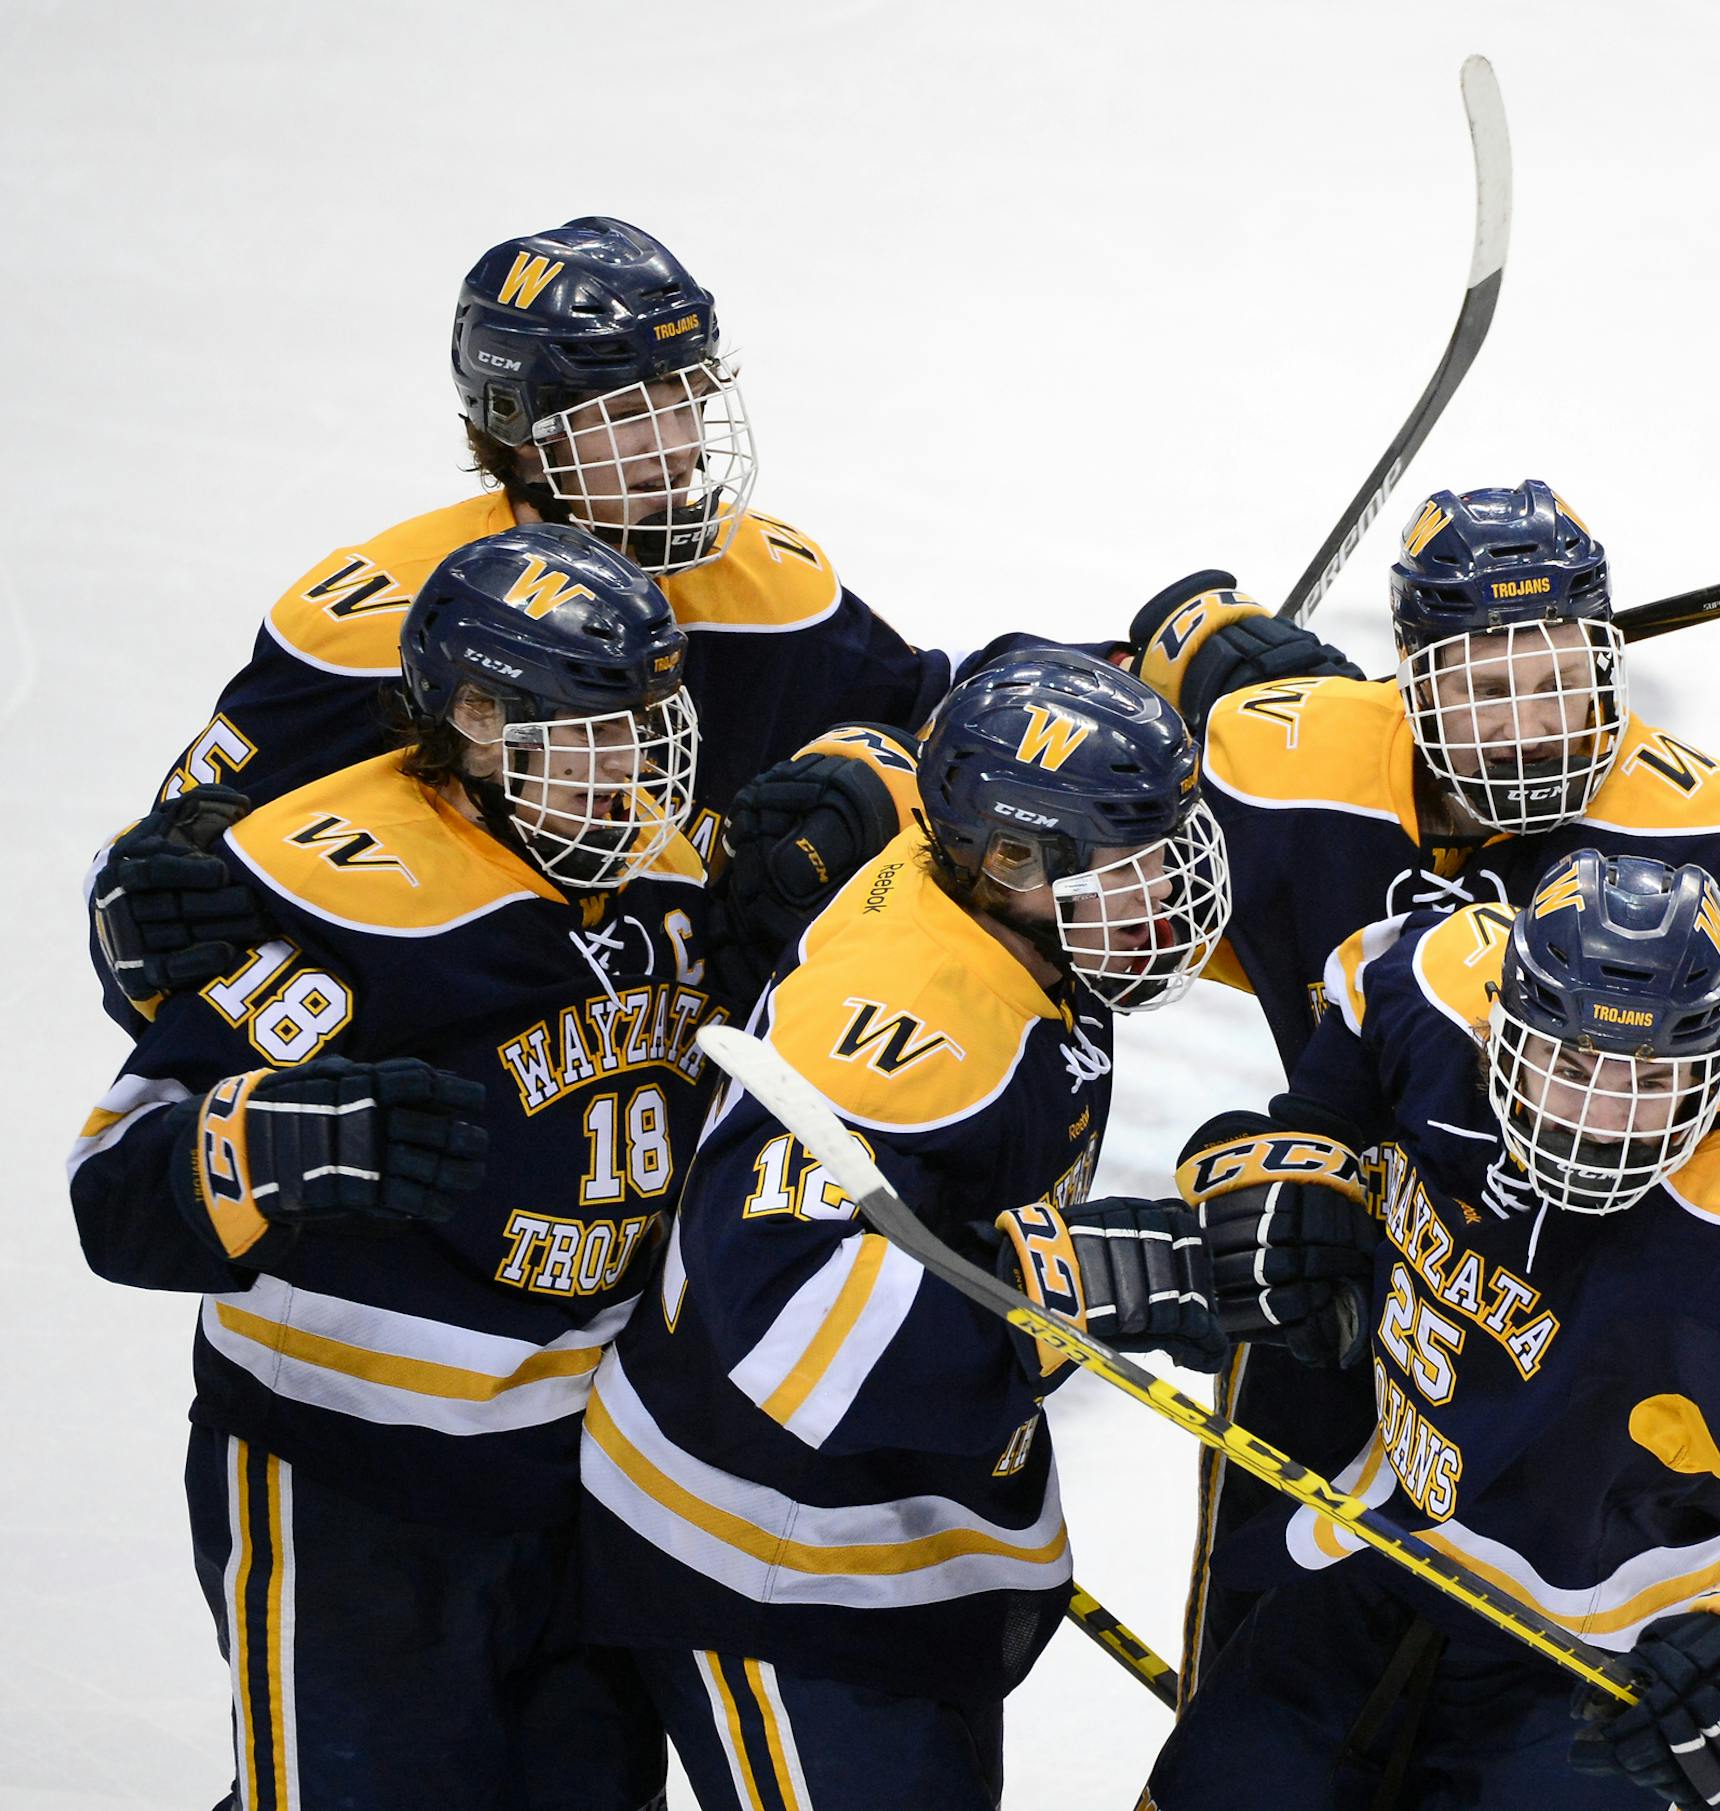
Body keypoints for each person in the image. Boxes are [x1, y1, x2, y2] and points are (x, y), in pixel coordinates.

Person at [89, 211, 1351, 1035]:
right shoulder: (372, 620)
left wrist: (1153, 667)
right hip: (461, 1091)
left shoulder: (762, 580)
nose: (677, 450)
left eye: (685, 401)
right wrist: (151, 912)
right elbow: (168, 873)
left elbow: (941, 716)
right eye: (626, 419)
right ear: (519, 429)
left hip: (661, 1090)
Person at [1150, 481, 1720, 1696]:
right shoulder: (1289, 748)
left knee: (1537, 1636)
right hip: (1338, 1244)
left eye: (1559, 678)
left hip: (1557, 1302)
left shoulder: (1705, 826)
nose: (1530, 726)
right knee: (1266, 1642)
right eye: (1486, 688)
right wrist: (1191, 634)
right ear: (1412, 676)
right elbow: (1082, 764)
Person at [67, 525, 715, 1811]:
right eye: (588, 729)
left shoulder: (669, 864)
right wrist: (286, 1139)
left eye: (643, 723)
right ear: (476, 717)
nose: (629, 766)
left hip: (583, 1484)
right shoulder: (328, 883)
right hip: (353, 1481)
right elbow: (115, 1184)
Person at [1144, 852, 1720, 1809]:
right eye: (1571, 1059)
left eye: (1651, 1074)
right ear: (1503, 1023)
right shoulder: (1434, 993)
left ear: (1718, 1061)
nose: (1599, 1116)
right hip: (1375, 1553)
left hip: (1601, 1654)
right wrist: (1298, 1167)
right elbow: (1360, 1002)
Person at [577, 648, 1233, 1810]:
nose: (1165, 889)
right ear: (1013, 857)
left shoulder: (1019, 918)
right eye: (1129, 859)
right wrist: (1073, 1292)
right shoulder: (904, 1027)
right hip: (769, 1555)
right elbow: (785, 1327)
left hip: (878, 1541)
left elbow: (956, 727)